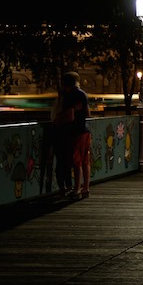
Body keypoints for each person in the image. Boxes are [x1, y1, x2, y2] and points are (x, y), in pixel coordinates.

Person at [53, 71, 91, 200]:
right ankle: (86, 188)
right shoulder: (83, 94)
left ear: (66, 84)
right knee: (86, 161)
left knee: (76, 162)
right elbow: (88, 114)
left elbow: (70, 117)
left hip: (76, 133)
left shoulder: (70, 95)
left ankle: (76, 190)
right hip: (85, 131)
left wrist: (58, 119)